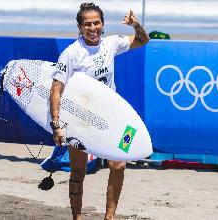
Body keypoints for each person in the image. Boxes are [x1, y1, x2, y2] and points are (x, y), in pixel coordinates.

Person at [49, 3, 149, 220]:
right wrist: (56, 123)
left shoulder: (111, 44)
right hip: (80, 119)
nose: (92, 28)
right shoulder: (71, 53)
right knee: (77, 173)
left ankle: (109, 217)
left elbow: (143, 40)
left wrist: (136, 25)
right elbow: (56, 89)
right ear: (79, 27)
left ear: (102, 24)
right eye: (87, 24)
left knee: (119, 164)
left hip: (112, 116)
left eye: (96, 23)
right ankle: (77, 217)